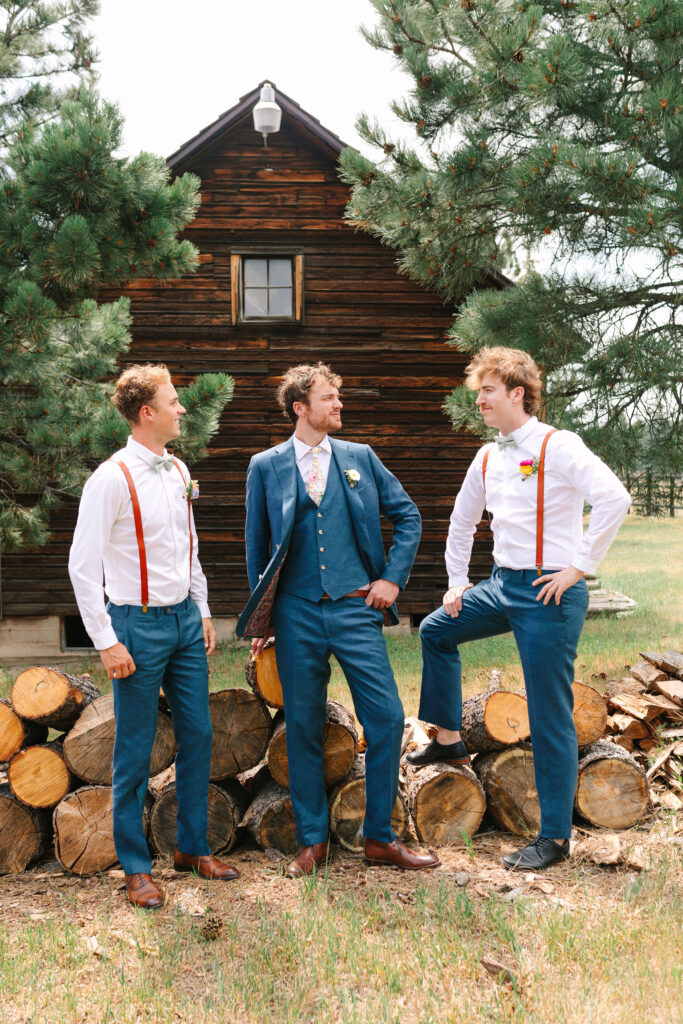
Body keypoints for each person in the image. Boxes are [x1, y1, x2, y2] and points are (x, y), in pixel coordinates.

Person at [407, 347, 631, 870]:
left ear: (516, 393)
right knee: (437, 631)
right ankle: (448, 740)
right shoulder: (488, 455)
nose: (479, 399)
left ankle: (553, 838)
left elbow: (614, 499)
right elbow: (461, 522)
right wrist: (457, 584)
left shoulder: (559, 445)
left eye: (487, 390)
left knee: (548, 711)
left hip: (549, 593)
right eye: (477, 391)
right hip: (501, 586)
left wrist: (579, 567)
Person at [237, 362, 439, 876]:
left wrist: (392, 577)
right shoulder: (266, 465)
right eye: (329, 398)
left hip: (355, 607)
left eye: (339, 397)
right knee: (302, 726)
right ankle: (312, 843)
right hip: (295, 614)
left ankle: (379, 837)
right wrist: (264, 623)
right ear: (300, 407)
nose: (339, 405)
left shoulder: (359, 457)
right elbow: (257, 549)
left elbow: (409, 515)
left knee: (389, 718)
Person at [69, 364, 239, 909]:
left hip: (185, 622)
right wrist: (105, 640)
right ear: (148, 413)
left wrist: (204, 609)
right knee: (135, 748)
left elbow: (187, 547)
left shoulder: (176, 469)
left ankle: (192, 847)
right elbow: (81, 566)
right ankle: (136, 867)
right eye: (174, 401)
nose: (182, 409)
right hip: (135, 625)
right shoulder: (111, 477)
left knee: (200, 734)